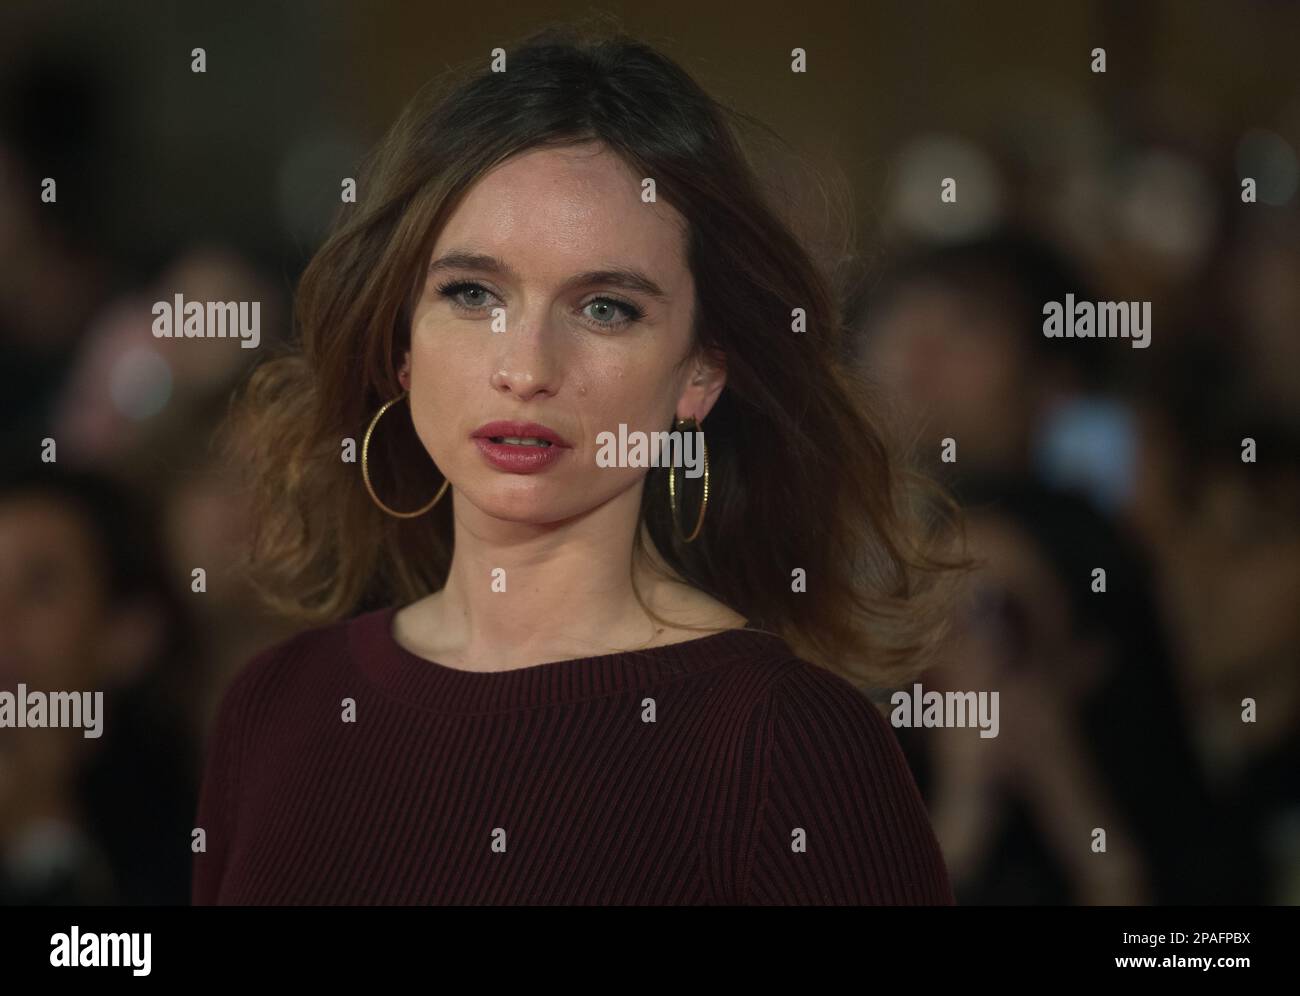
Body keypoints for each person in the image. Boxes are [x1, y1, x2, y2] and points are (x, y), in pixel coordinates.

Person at [193, 24, 961, 905]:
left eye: (605, 308)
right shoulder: (277, 709)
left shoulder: (788, 745)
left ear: (701, 372)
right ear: (400, 342)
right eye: (472, 294)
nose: (526, 368)